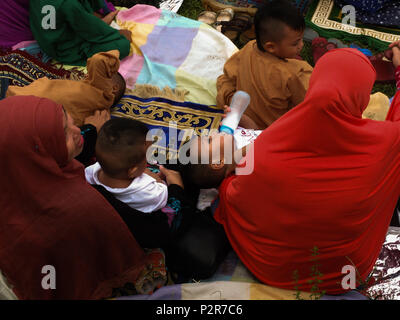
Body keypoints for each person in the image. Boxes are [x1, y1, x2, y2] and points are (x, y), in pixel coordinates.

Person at [184, 47, 400, 295]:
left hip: (274, 270)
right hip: (345, 274)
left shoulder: (268, 147)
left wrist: (225, 182)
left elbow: (237, 196)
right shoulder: (387, 145)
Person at [0, 95, 156, 299]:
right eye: (63, 134)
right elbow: (148, 234)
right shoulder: (81, 206)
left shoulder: (13, 169)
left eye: (69, 120)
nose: (76, 131)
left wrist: (90, 131)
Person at [216, 0, 313, 130]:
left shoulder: (250, 47)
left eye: (301, 39)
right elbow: (310, 103)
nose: (301, 45)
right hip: (273, 129)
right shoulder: (296, 72)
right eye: (295, 43)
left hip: (243, 116)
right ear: (271, 47)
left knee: (224, 84)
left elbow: (229, 74)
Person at [6, 50, 125, 127]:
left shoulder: (103, 94)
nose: (87, 75)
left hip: (21, 101)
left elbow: (99, 60)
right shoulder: (97, 110)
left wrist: (114, 58)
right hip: (28, 112)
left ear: (114, 88)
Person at [85, 117, 180, 214]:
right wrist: (162, 181)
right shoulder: (150, 193)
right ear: (133, 171)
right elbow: (164, 194)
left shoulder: (90, 172)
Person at [29, 0, 132, 66]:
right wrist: (117, 34)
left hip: (48, 41)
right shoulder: (68, 4)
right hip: (66, 50)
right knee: (122, 45)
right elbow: (92, 32)